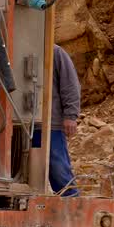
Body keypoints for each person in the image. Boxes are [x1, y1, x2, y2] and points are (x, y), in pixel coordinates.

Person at [30, 44, 80, 197]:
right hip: (25, 123)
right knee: (30, 171)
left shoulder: (55, 52)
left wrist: (71, 116)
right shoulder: (21, 46)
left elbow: (70, 85)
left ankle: (72, 204)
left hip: (51, 124)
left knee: (57, 169)